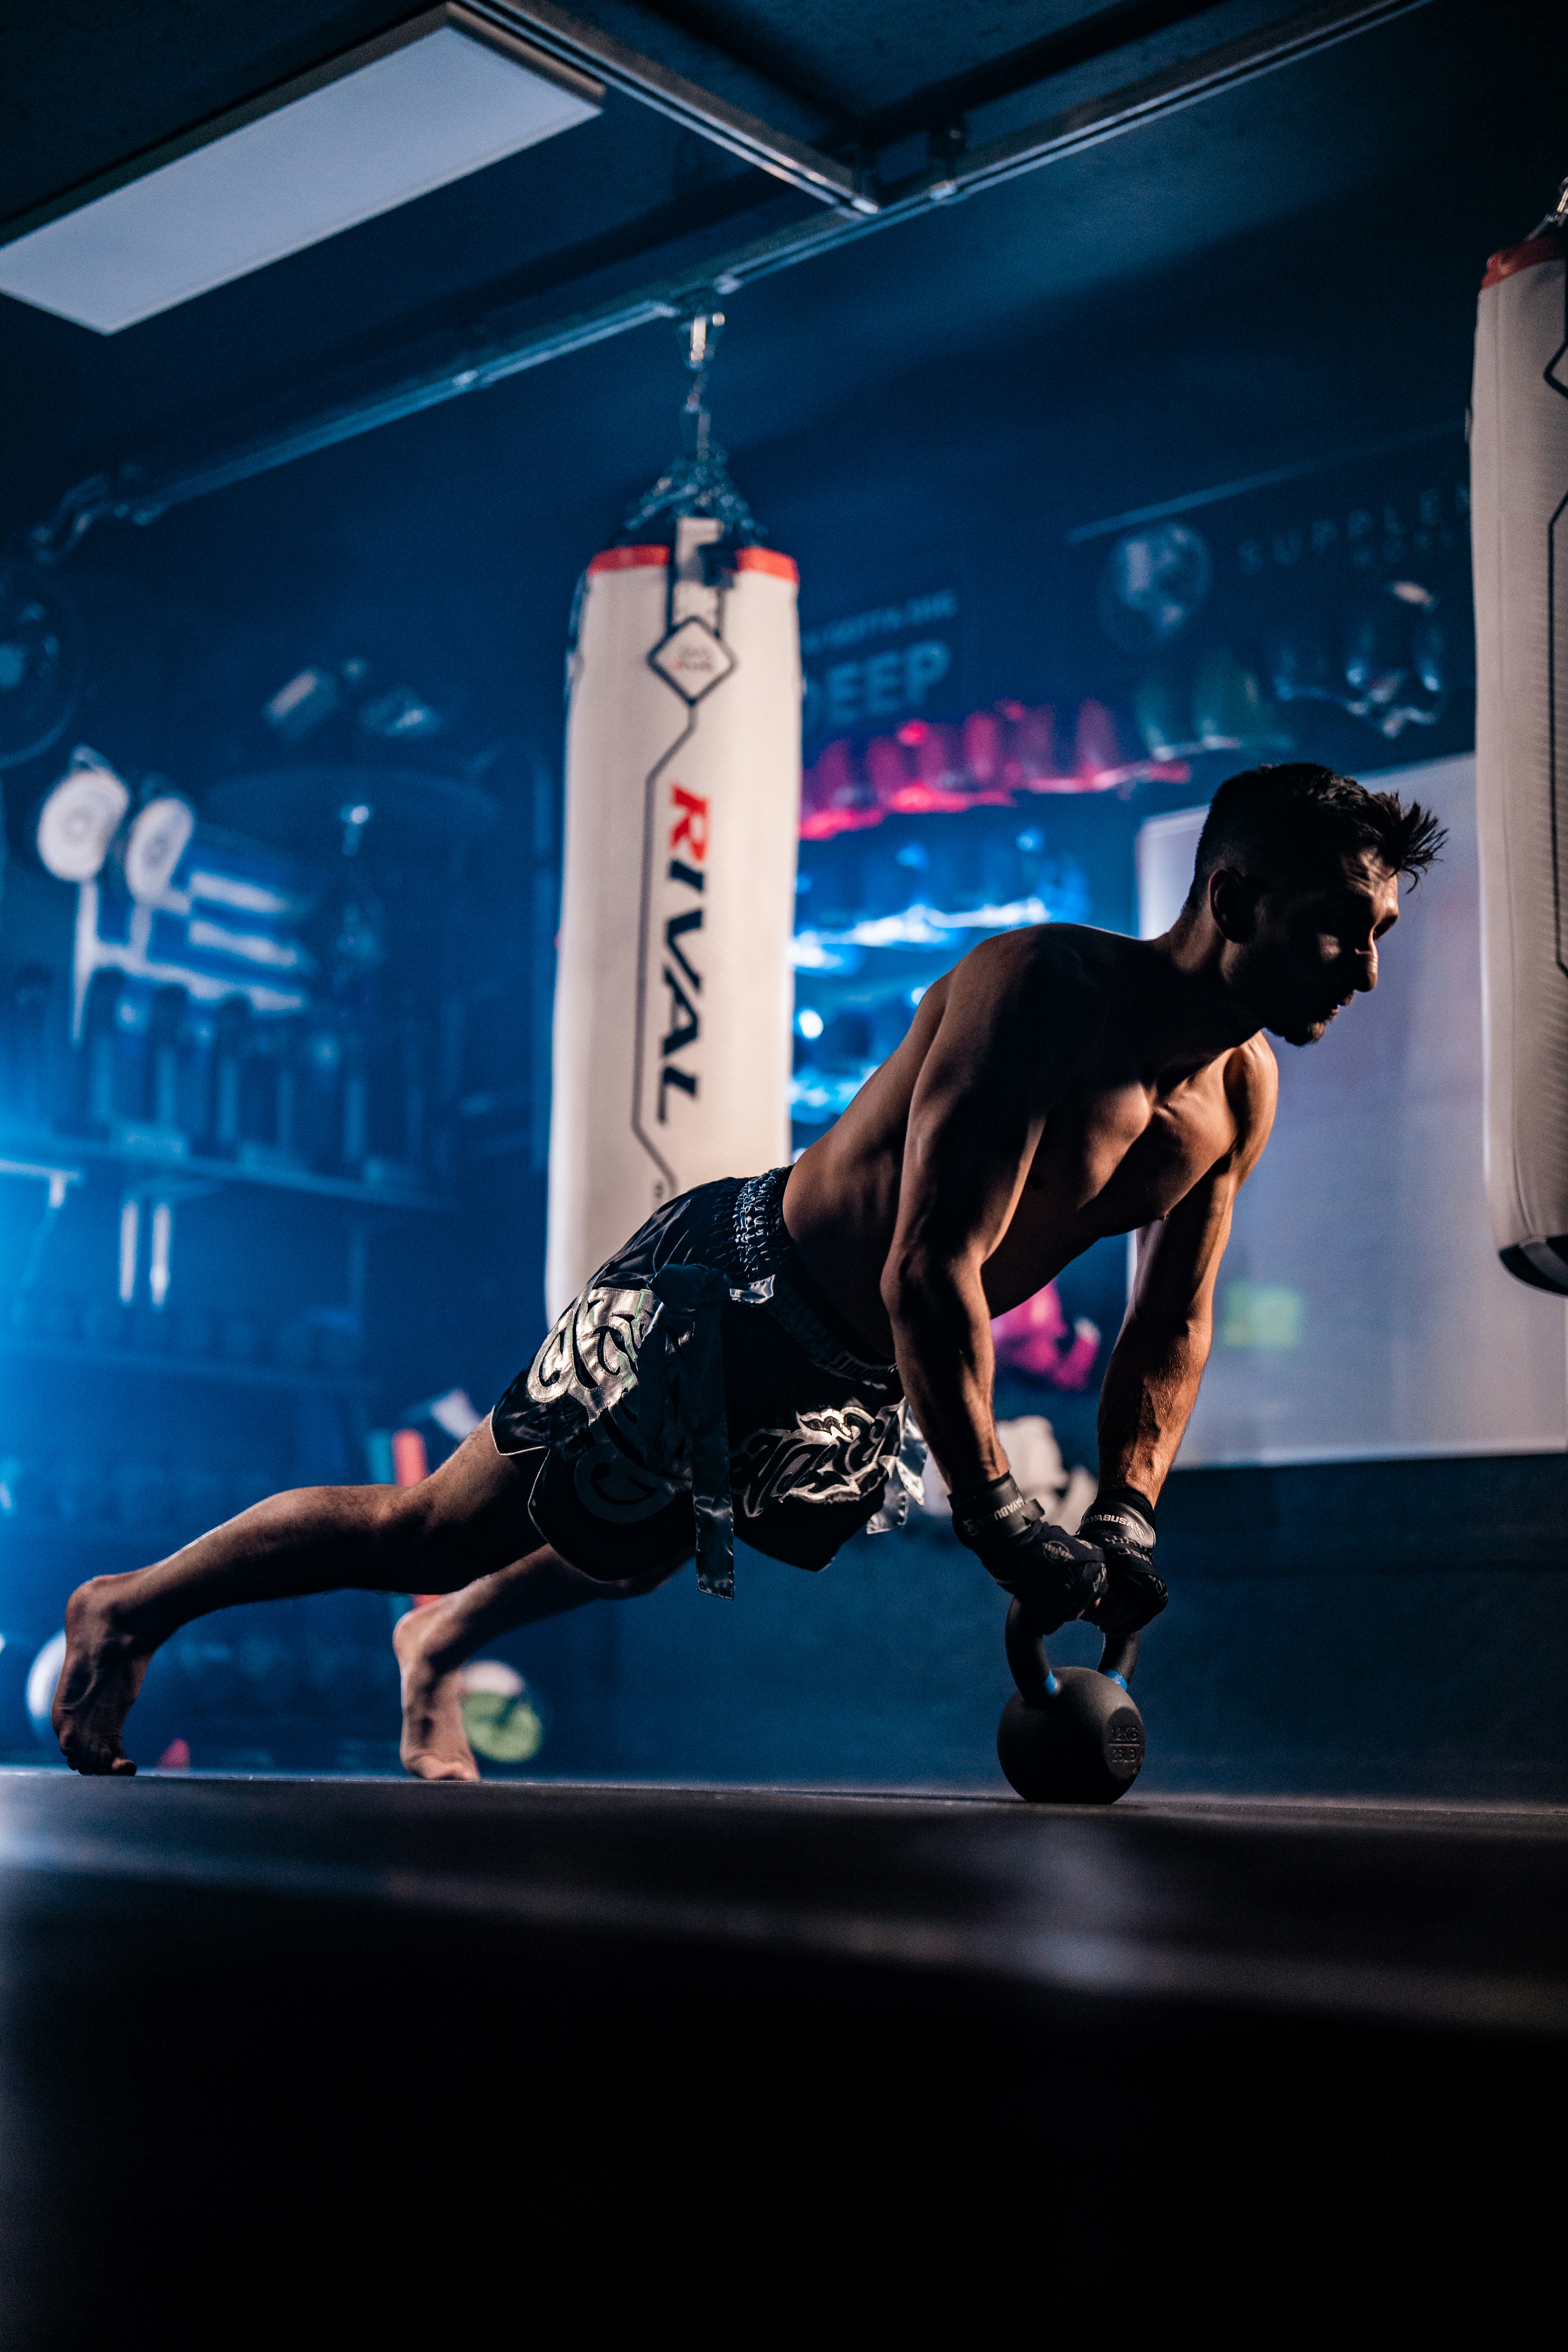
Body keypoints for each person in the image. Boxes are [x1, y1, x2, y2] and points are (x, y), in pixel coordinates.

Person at [51, 762, 1441, 1778]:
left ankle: (440, 1646)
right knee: (438, 1525)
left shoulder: (1239, 1092)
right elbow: (927, 1269)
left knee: (632, 1548)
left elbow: (1172, 1320)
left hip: (843, 1368)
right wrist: (1003, 1515)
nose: (1364, 970)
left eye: (1376, 932)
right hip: (731, 1285)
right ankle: (132, 1604)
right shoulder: (1037, 995)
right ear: (1234, 895)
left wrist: (1128, 1515)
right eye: (1339, 926)